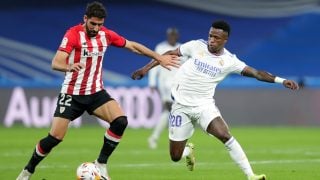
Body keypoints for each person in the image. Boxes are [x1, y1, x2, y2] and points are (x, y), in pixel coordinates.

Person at [16, 2, 179, 180]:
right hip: (72, 94)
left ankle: (101, 164)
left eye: (100, 24)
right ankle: (27, 171)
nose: (96, 28)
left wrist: (159, 57)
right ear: (85, 19)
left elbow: (133, 46)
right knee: (55, 137)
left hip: (95, 92)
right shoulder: (72, 34)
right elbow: (56, 62)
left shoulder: (106, 35)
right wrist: (69, 66)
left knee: (120, 121)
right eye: (93, 23)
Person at [131, 20, 299, 180]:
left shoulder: (229, 61)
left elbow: (257, 73)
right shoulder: (196, 46)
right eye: (210, 35)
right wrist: (145, 69)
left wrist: (281, 80)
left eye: (216, 37)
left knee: (224, 135)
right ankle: (187, 152)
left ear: (225, 40)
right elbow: (168, 54)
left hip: (204, 106)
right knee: (175, 156)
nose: (211, 40)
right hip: (180, 106)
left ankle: (251, 175)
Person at [147, 27, 182, 149]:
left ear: (177, 36)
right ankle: (174, 139)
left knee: (170, 112)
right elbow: (154, 65)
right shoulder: (160, 47)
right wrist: (152, 83)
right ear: (168, 36)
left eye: (174, 35)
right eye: (170, 35)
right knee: (172, 110)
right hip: (165, 85)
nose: (172, 37)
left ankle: (155, 137)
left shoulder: (181, 48)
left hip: (178, 85)